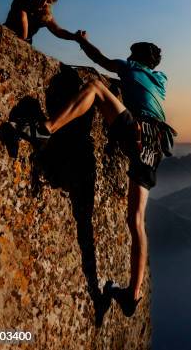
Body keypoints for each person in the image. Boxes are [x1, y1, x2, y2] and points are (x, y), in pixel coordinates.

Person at [12, 31, 171, 317]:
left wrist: (80, 40)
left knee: (96, 87)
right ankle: (132, 294)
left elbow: (98, 59)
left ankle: (45, 129)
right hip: (156, 144)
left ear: (136, 57)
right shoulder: (161, 81)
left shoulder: (130, 67)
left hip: (137, 131)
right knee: (136, 220)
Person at [4, 0, 79, 44]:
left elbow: (58, 31)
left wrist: (76, 37)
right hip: (8, 34)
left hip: (25, 43)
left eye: (48, 1)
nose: (44, 3)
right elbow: (23, 17)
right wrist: (23, 40)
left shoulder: (45, 15)